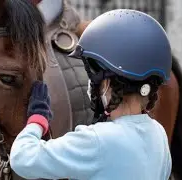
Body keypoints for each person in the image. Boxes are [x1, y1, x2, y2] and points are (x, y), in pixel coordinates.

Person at [10, 9, 172, 180]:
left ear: (107, 83)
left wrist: (38, 119)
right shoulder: (158, 134)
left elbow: (22, 159)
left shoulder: (96, 141)